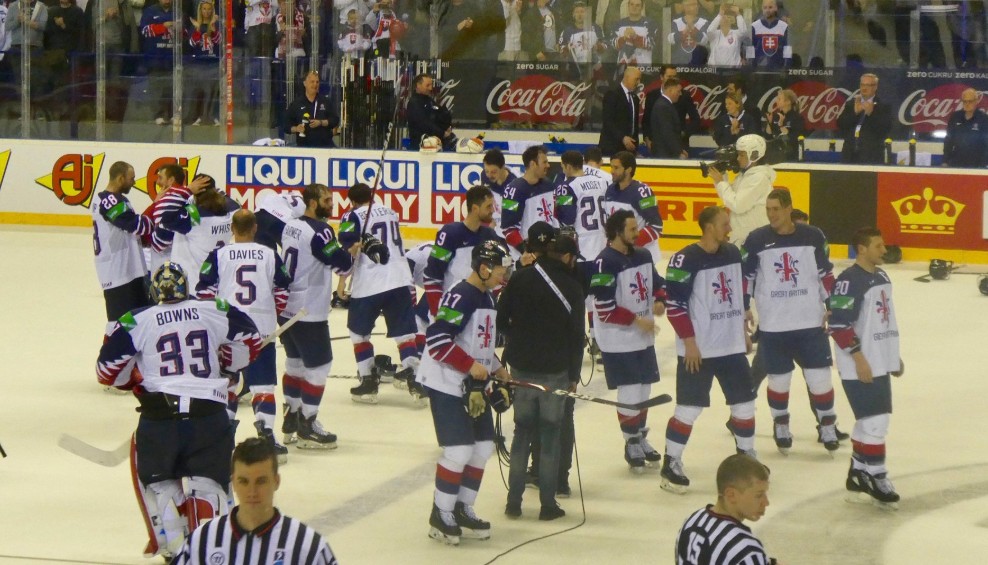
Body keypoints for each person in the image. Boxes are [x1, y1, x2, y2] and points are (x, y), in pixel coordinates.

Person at [97, 261, 262, 559]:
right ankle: (212, 551)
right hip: (209, 418)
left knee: (160, 487)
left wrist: (133, 379)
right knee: (210, 487)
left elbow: (106, 372)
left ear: (154, 290)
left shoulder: (135, 320)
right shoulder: (214, 308)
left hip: (159, 420)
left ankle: (174, 550)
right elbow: (251, 340)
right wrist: (228, 364)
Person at [416, 239, 513, 546]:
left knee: (483, 447)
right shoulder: (461, 295)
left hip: (471, 384)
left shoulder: (487, 297)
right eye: (500, 269)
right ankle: (440, 513)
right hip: (446, 381)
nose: (504, 275)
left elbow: (479, 344)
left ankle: (462, 508)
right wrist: (471, 366)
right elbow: (438, 340)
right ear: (484, 268)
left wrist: (497, 367)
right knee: (458, 451)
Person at [661, 206, 755, 494]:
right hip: (698, 350)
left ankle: (746, 459)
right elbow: (674, 308)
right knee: (689, 409)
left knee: (744, 405)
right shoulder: (684, 259)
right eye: (724, 224)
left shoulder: (732, 253)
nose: (729, 229)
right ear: (709, 228)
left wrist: (742, 329)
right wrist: (689, 343)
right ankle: (671, 464)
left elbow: (738, 293)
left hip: (731, 347)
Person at [742, 189, 842, 456]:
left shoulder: (813, 236)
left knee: (820, 379)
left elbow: (825, 274)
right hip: (774, 326)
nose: (771, 214)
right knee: (779, 381)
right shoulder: (757, 239)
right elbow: (746, 277)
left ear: (788, 209)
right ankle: (781, 423)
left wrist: (833, 305)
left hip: (810, 323)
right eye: (768, 209)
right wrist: (743, 309)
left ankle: (828, 425)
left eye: (776, 209)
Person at [499, 224, 583, 521]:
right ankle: (548, 504)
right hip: (555, 370)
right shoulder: (573, 288)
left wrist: (517, 338)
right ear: (566, 257)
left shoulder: (521, 278)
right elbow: (577, 335)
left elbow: (500, 319)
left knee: (522, 432)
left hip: (522, 366)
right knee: (550, 435)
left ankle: (513, 503)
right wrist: (573, 374)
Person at [196, 209, 292, 462]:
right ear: (255, 228)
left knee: (228, 383)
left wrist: (214, 324)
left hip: (229, 330)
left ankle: (223, 436)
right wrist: (273, 313)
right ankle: (267, 434)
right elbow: (283, 290)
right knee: (263, 386)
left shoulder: (218, 255)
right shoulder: (270, 255)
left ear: (232, 228)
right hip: (261, 329)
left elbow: (205, 292)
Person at [278, 183, 361, 449]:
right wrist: (352, 253)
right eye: (326, 200)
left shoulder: (291, 225)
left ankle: (290, 416)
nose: (332, 205)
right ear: (312, 203)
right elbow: (341, 265)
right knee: (320, 365)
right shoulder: (321, 230)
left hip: (287, 307)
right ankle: (307, 423)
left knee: (295, 363)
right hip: (308, 310)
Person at [171, 437, 339, 564]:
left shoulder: (307, 547)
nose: (252, 492)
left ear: (276, 481)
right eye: (244, 481)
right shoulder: (201, 542)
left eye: (261, 481)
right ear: (234, 483)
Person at [829, 227, 903, 510]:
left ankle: (859, 474)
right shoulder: (848, 281)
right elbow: (837, 325)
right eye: (878, 246)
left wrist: (892, 358)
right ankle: (877, 475)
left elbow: (885, 322)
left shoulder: (882, 276)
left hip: (879, 361)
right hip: (859, 364)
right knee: (876, 422)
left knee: (868, 421)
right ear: (861, 249)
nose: (884, 251)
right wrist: (859, 357)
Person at [589, 210, 665, 473]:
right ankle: (630, 440)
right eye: (632, 230)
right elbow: (604, 309)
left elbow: (659, 284)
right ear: (616, 232)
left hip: (642, 337)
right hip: (617, 339)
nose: (637, 234)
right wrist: (637, 320)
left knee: (644, 388)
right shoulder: (604, 263)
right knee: (631, 389)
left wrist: (659, 300)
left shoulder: (643, 255)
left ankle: (641, 434)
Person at [337, 182, 426, 403]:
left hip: (370, 282)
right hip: (400, 278)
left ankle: (368, 382)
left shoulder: (352, 215)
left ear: (353, 201)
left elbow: (346, 244)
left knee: (359, 334)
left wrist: (342, 280)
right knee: (404, 334)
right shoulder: (390, 211)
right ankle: (416, 380)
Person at [674, 454, 777, 564]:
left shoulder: (692, 520)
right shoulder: (746, 549)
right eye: (759, 495)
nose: (766, 502)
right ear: (731, 495)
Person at [91, 161, 153, 334]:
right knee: (121, 326)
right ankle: (114, 358)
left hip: (127, 270)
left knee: (140, 320)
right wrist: (159, 209)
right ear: (120, 178)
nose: (134, 182)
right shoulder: (108, 201)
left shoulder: (113, 199)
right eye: (131, 178)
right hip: (117, 273)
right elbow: (137, 225)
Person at [423, 185, 501, 318]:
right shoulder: (449, 234)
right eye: (488, 206)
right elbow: (431, 277)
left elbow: (499, 274)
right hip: (451, 310)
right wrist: (440, 314)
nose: (493, 210)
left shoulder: (490, 236)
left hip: (479, 313)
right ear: (475, 208)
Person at [159, 176, 241, 291]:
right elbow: (231, 203)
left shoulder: (194, 217)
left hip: (194, 284)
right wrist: (214, 190)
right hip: (219, 281)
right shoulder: (233, 211)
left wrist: (187, 190)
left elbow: (165, 217)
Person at [710, 134, 774, 247]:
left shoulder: (758, 178)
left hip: (754, 239)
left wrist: (721, 182)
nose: (738, 158)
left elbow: (738, 205)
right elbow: (730, 199)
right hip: (743, 236)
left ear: (754, 155)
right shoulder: (744, 176)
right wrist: (722, 176)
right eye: (738, 154)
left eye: (742, 155)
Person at [603, 151, 663, 266]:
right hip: (620, 257)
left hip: (643, 258)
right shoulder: (610, 190)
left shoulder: (642, 192)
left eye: (616, 168)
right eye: (611, 167)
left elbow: (656, 227)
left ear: (628, 170)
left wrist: (630, 246)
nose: (612, 171)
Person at [501, 145, 556, 259]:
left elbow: (555, 216)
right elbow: (508, 229)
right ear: (532, 164)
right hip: (527, 255)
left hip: (548, 251)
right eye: (544, 162)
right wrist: (525, 251)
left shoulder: (549, 185)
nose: (548, 165)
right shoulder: (513, 190)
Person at [643, 65, 702, 155]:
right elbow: (647, 120)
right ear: (662, 77)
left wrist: (683, 133)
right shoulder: (653, 96)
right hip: (662, 148)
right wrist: (647, 139)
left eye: (674, 76)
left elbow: (695, 119)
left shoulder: (684, 95)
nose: (672, 79)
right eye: (669, 76)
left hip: (680, 144)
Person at [837, 73, 893, 165]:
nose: (864, 88)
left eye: (868, 85)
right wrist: (854, 112)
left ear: (875, 87)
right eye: (862, 85)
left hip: (871, 156)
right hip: (849, 155)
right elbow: (840, 125)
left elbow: (885, 129)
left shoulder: (883, 106)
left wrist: (871, 114)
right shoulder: (851, 104)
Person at [184, 0, 221, 126]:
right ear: (200, 10)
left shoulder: (217, 24)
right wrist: (198, 29)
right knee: (198, 91)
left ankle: (212, 116)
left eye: (209, 9)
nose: (206, 11)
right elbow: (191, 44)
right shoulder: (195, 26)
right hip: (198, 64)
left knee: (213, 92)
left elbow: (220, 42)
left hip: (213, 64)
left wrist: (213, 29)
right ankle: (196, 116)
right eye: (204, 9)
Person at [140, 0, 176, 125]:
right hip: (155, 57)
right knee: (156, 88)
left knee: (172, 88)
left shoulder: (177, 11)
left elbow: (186, 33)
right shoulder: (150, 11)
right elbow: (144, 30)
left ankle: (172, 114)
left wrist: (179, 29)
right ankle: (158, 114)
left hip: (172, 57)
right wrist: (163, 26)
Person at [286, 71, 339, 148]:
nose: (315, 84)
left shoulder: (325, 101)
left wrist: (321, 122)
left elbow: (335, 120)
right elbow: (286, 126)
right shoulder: (296, 104)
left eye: (317, 82)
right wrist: (296, 128)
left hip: (325, 147)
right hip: (304, 148)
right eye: (312, 82)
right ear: (305, 83)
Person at [598, 66, 641, 157]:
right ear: (627, 77)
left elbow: (634, 125)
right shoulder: (612, 94)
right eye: (636, 79)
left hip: (629, 151)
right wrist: (623, 138)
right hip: (612, 149)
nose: (638, 83)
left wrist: (634, 147)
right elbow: (608, 121)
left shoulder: (635, 99)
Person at [406, 73, 455, 151]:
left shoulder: (429, 100)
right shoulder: (414, 103)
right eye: (427, 85)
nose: (430, 88)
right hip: (421, 147)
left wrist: (448, 126)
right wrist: (442, 133)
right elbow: (423, 124)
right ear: (418, 85)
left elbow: (440, 115)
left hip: (436, 145)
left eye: (431, 85)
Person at [943, 88, 988, 168]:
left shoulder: (983, 119)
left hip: (977, 164)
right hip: (956, 162)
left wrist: (983, 165)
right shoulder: (955, 117)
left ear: (976, 101)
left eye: (970, 101)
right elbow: (948, 141)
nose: (967, 104)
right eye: (964, 101)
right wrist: (945, 161)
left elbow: (986, 144)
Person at [482, 148, 518, 241]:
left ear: (503, 167)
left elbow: (511, 219)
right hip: (497, 229)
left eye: (493, 172)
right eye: (486, 171)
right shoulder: (485, 177)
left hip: (514, 232)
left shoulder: (515, 184)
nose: (489, 175)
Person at [648, 76, 687, 159]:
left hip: (667, 153)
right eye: (678, 91)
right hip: (665, 154)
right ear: (670, 90)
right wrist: (678, 152)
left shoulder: (666, 104)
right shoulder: (663, 106)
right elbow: (667, 133)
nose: (680, 94)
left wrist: (680, 150)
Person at [763, 88, 806, 163]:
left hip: (791, 158)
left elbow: (793, 139)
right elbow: (768, 137)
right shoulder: (776, 116)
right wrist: (769, 123)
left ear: (788, 102)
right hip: (775, 156)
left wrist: (781, 126)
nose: (776, 101)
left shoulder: (797, 118)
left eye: (779, 99)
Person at [611, 0, 657, 66]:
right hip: (623, 68)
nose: (634, 7)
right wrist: (624, 38)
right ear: (628, 6)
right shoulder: (619, 24)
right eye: (632, 4)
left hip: (643, 68)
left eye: (637, 5)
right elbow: (612, 44)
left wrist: (635, 37)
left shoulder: (650, 23)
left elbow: (652, 44)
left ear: (642, 7)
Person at [747, 0, 791, 68]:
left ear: (776, 8)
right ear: (762, 9)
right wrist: (750, 66)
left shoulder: (783, 26)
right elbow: (750, 48)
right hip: (759, 69)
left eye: (770, 7)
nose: (767, 10)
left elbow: (787, 48)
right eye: (765, 7)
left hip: (778, 68)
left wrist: (786, 68)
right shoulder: (755, 26)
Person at [705, 2, 746, 67]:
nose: (725, 18)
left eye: (728, 17)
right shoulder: (714, 34)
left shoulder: (736, 34)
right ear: (719, 21)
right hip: (715, 72)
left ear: (731, 21)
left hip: (733, 72)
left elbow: (743, 31)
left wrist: (738, 13)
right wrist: (720, 14)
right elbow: (709, 31)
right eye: (723, 17)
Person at [667, 0, 708, 65]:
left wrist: (692, 27)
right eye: (692, 4)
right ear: (684, 7)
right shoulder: (676, 22)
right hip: (679, 62)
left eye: (696, 4)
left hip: (697, 63)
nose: (696, 7)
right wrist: (683, 32)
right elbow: (670, 39)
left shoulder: (704, 22)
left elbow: (704, 40)